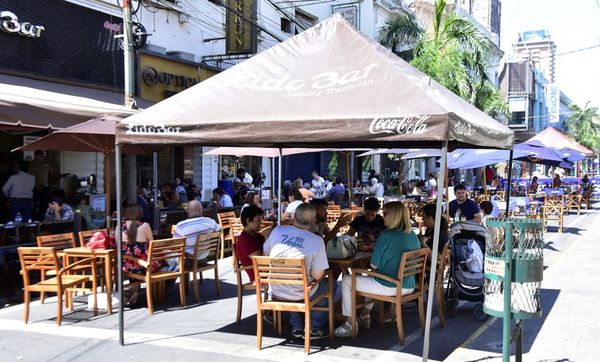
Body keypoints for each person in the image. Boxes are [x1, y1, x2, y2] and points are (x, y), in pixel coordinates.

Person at [334, 201, 421, 337]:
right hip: (408, 284)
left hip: (390, 285)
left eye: (385, 214)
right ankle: (365, 315)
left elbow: (374, 265)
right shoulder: (412, 235)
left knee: (346, 280)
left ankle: (349, 324)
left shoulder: (386, 236)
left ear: (394, 216)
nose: (383, 216)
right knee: (370, 277)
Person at [263, 203, 330, 339]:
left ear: (293, 217)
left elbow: (266, 253)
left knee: (293, 283)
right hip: (300, 293)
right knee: (330, 284)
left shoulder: (277, 231)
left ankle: (297, 326)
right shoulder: (316, 241)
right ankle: (314, 328)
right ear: (313, 221)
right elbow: (318, 275)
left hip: (276, 290)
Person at [120, 204, 159, 305]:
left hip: (126, 266)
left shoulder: (120, 227)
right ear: (140, 213)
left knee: (133, 261)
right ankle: (156, 294)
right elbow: (152, 244)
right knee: (160, 264)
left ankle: (134, 291)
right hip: (143, 266)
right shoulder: (145, 226)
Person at [235, 205, 265, 282]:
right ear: (248, 221)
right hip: (259, 275)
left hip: (265, 271)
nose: (261, 223)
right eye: (258, 220)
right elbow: (261, 260)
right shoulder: (245, 240)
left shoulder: (257, 235)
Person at [29, 150, 54, 219]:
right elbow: (28, 175)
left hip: (45, 186)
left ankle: (43, 218)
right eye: (38, 156)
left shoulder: (47, 163)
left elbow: (52, 173)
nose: (39, 157)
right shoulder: (31, 164)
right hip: (34, 186)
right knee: (33, 203)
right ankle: (34, 218)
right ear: (35, 156)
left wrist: (50, 183)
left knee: (44, 203)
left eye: (41, 156)